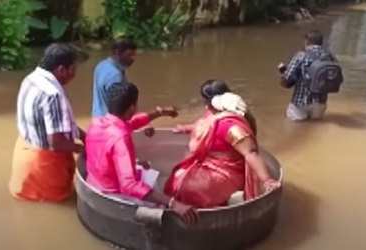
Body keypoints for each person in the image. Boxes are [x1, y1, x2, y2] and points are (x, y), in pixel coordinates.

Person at [85, 82, 198, 224]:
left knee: (144, 168)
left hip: (93, 185)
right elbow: (129, 185)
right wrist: (173, 203)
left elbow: (133, 122)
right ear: (132, 107)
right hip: (112, 196)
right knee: (163, 205)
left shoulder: (96, 123)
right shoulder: (121, 137)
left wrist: (160, 112)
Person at [165, 80, 280, 208]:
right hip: (213, 162)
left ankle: (205, 210)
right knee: (179, 176)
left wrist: (267, 180)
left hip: (230, 169)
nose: (205, 107)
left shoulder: (231, 127)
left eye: (206, 102)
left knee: (190, 188)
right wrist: (185, 128)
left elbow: (250, 153)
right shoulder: (215, 115)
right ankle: (212, 203)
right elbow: (205, 126)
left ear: (214, 103)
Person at [9, 43, 85, 202]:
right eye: (73, 69)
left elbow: (54, 123)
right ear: (62, 70)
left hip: (24, 153)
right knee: (60, 205)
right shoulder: (53, 94)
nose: (75, 74)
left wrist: (83, 135)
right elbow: (56, 142)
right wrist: (82, 149)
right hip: (45, 164)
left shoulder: (31, 79)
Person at [278, 30, 338, 121]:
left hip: (300, 102)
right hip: (320, 104)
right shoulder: (330, 57)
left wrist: (282, 72)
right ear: (321, 42)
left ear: (307, 41)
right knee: (315, 127)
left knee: (293, 128)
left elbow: (287, 79)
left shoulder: (301, 55)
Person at [91, 39, 137, 117]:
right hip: (109, 122)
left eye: (134, 55)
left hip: (97, 117)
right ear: (117, 53)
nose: (133, 59)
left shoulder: (101, 65)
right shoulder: (115, 75)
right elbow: (117, 106)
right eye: (129, 55)